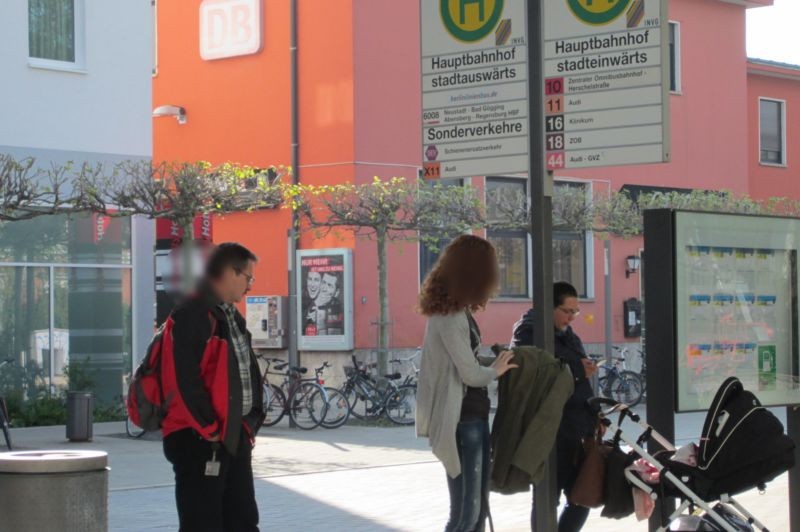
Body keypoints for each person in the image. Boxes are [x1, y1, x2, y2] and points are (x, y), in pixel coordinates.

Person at [160, 243, 265, 532]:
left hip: (233, 435)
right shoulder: (192, 314)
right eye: (248, 278)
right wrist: (210, 429)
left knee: (243, 521)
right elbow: (182, 380)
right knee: (203, 524)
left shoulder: (231, 316)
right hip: (199, 439)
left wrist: (248, 423)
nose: (250, 287)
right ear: (229, 272)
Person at [416, 235, 518, 532]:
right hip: (463, 420)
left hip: (471, 416)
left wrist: (497, 363)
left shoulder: (458, 311)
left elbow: (468, 363)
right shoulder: (449, 316)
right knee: (467, 515)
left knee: (476, 512)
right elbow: (470, 375)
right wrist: (495, 370)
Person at [510, 281, 597, 532]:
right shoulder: (529, 332)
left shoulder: (568, 334)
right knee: (548, 497)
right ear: (549, 307)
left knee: (582, 496)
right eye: (566, 311)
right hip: (550, 430)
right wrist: (580, 371)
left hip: (576, 428)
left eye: (575, 312)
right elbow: (538, 375)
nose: (571, 318)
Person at [302, 270, 322, 335]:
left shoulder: (327, 303)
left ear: (321, 284)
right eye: (310, 279)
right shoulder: (301, 300)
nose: (312, 285)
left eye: (316, 280)